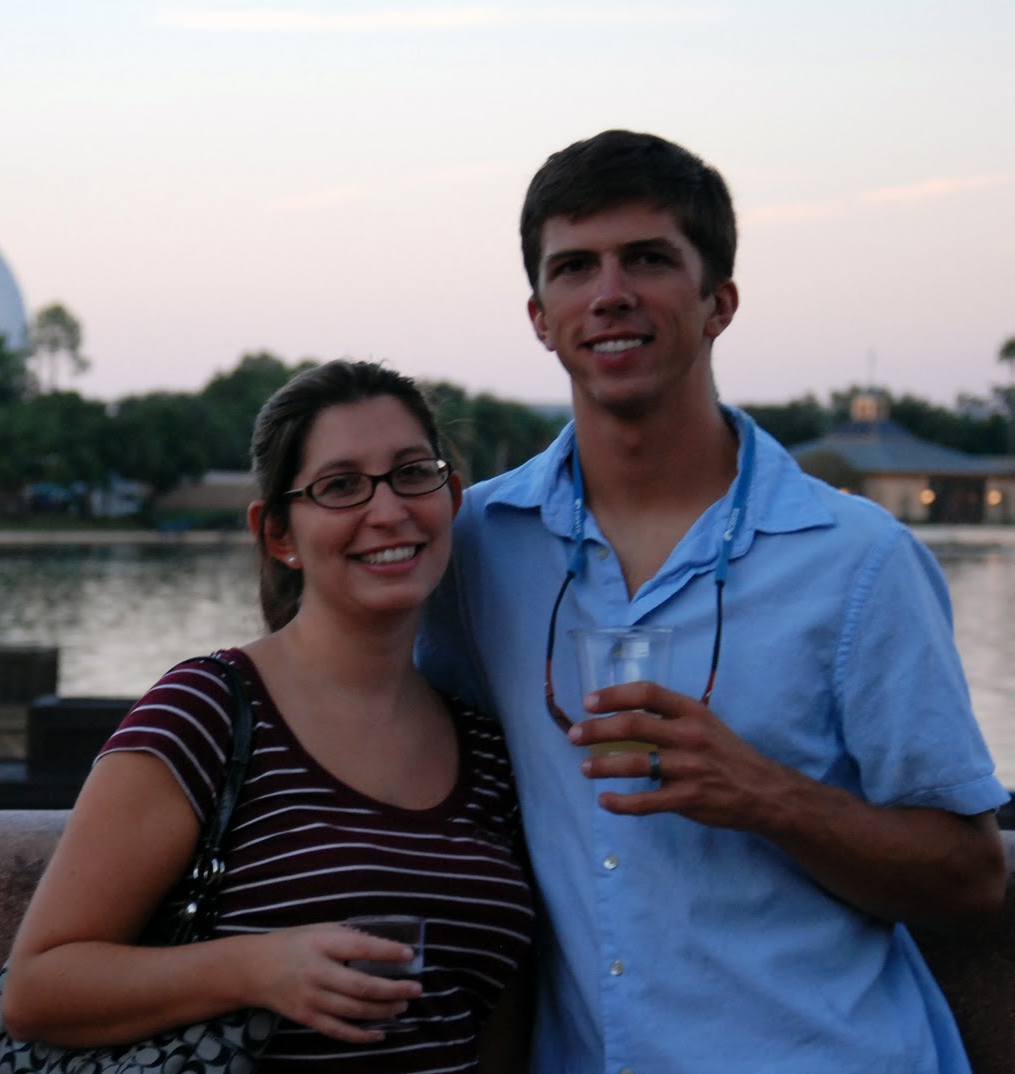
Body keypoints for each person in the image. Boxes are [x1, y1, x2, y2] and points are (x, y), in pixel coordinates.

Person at [416, 129, 1009, 1073]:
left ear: (718, 302)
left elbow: (974, 878)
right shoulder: (479, 546)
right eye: (575, 267)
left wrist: (766, 794)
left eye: (648, 259)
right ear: (539, 315)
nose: (610, 292)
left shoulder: (859, 560)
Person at [0, 359, 535, 1071]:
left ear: (453, 497)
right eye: (341, 486)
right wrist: (254, 968)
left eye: (413, 472)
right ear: (278, 534)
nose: (389, 510)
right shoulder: (209, 713)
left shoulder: (490, 751)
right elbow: (37, 989)